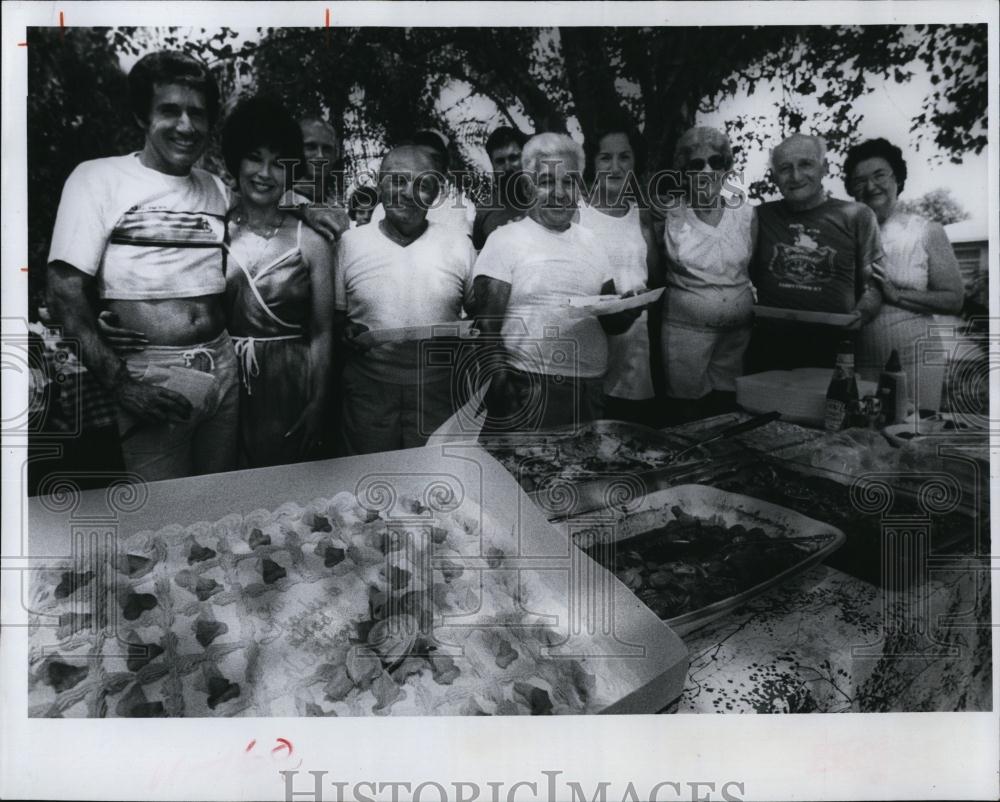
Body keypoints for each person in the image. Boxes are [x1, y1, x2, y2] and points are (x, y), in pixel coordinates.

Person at [46, 50, 241, 482]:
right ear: (142, 116)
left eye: (198, 113)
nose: (186, 126)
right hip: (150, 372)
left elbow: (266, 220)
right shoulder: (97, 178)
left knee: (221, 501)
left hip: (222, 363)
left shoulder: (216, 189)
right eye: (170, 111)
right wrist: (121, 385)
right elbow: (63, 290)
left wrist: (309, 212)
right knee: (160, 520)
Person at [472, 133, 641, 433]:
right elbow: (487, 323)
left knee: (584, 474)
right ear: (528, 184)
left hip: (590, 391)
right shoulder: (505, 239)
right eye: (546, 181)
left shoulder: (593, 243)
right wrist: (501, 386)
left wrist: (628, 310)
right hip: (528, 389)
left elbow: (608, 320)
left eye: (569, 181)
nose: (559, 193)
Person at [334, 144, 476, 455]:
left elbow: (479, 319)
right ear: (380, 185)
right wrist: (344, 332)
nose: (409, 193)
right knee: (368, 485)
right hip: (369, 394)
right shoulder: (350, 243)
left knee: (434, 485)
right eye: (398, 181)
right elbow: (335, 319)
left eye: (423, 184)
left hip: (437, 392)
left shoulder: (459, 246)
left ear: (435, 192)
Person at [221, 97, 335, 467]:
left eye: (278, 163)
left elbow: (322, 331)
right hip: (224, 380)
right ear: (237, 160)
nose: (265, 173)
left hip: (289, 383)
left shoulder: (312, 241)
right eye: (254, 158)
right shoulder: (213, 232)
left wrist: (319, 403)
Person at [844, 137, 964, 411]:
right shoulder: (846, 236)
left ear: (897, 179)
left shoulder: (926, 231)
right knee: (862, 438)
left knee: (913, 438)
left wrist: (895, 295)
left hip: (917, 359)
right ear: (852, 190)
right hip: (859, 360)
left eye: (879, 175)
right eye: (860, 180)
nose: (870, 186)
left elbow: (954, 299)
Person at [747, 133, 883, 372]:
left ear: (825, 168)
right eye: (785, 168)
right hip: (769, 348)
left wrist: (862, 313)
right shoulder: (758, 217)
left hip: (835, 350)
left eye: (806, 164)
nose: (796, 176)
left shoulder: (858, 215)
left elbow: (874, 284)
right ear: (774, 176)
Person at [661, 126, 756, 421]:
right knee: (688, 414)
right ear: (684, 172)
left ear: (726, 169)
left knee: (729, 410)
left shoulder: (746, 214)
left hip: (737, 336)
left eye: (716, 162)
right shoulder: (669, 215)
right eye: (696, 164)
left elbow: (752, 268)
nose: (706, 171)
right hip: (685, 334)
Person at [578, 121, 661, 426]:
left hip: (633, 353)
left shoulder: (641, 216)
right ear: (593, 163)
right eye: (605, 157)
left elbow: (653, 278)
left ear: (635, 161)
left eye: (624, 157)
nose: (615, 167)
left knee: (628, 440)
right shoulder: (576, 213)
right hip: (591, 347)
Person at [472, 126, 531, 250]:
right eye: (500, 161)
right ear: (492, 165)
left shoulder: (548, 201)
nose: (508, 167)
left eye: (513, 158)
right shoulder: (484, 212)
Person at [296, 116, 347, 205]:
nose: (320, 156)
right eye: (311, 147)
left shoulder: (337, 212)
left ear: (335, 155)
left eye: (327, 149)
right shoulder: (276, 205)